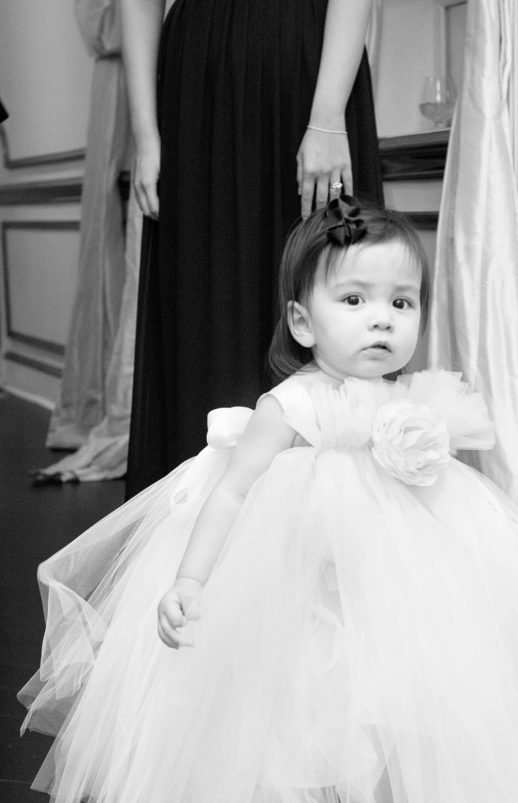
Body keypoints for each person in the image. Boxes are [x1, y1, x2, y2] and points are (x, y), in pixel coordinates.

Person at [20, 200, 518, 803]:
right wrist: (191, 580)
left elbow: (445, 486)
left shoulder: (412, 401)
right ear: (303, 323)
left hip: (389, 597)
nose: (382, 321)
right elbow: (231, 492)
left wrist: (508, 531)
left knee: (387, 719)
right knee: (310, 728)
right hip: (298, 594)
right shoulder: (289, 405)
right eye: (356, 300)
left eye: (402, 302)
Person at [121, 0, 384, 497]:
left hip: (306, 64)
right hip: (197, 80)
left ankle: (329, 520)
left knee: (328, 283)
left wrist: (328, 116)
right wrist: (145, 133)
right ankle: (204, 520)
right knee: (204, 298)